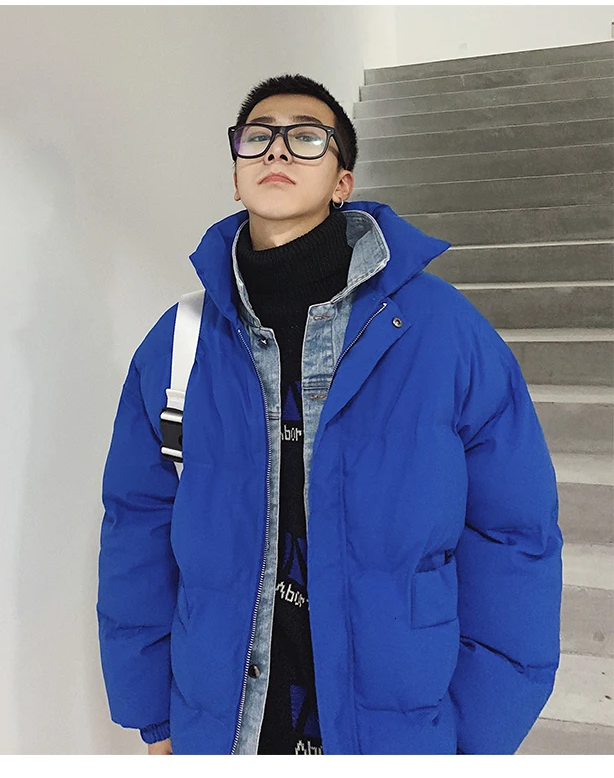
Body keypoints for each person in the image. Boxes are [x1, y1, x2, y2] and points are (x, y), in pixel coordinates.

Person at [96, 74, 563, 755]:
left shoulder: (443, 332)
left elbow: (513, 537)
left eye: (307, 138)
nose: (277, 150)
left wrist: (481, 732)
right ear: (235, 177)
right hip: (224, 724)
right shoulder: (178, 344)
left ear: (343, 181)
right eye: (257, 137)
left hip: (395, 729)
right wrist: (154, 713)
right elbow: (136, 525)